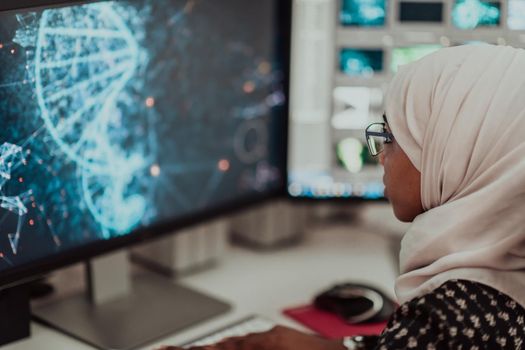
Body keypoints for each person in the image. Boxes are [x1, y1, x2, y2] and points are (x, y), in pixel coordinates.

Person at [160, 44, 525, 349]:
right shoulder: (503, 284)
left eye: (392, 137)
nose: (379, 154)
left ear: (457, 150)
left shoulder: (458, 316)